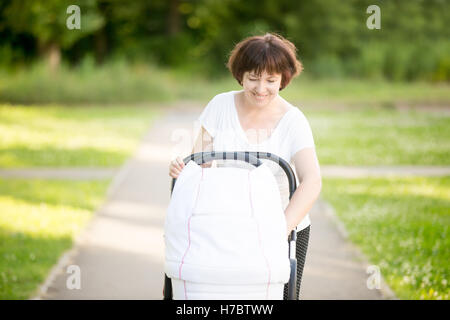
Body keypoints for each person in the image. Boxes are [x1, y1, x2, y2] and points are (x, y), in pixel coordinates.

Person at [168, 32, 322, 299]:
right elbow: (200, 163)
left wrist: (279, 230)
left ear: (283, 80)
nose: (261, 88)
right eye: (253, 78)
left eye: (271, 80)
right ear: (241, 75)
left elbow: (311, 181)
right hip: (224, 225)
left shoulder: (294, 121)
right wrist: (185, 172)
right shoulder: (219, 105)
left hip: (279, 226)